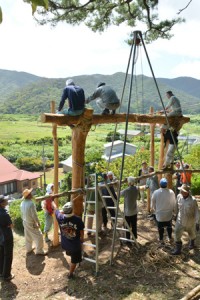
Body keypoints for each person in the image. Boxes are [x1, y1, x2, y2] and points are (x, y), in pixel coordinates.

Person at [55, 202, 84, 279]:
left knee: (70, 252)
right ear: (72, 210)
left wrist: (60, 211)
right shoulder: (78, 219)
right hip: (75, 246)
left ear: (64, 211)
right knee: (74, 260)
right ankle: (70, 274)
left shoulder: (60, 217)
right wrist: (82, 238)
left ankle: (72, 256)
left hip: (65, 244)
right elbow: (81, 231)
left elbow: (56, 210)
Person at [172, 184, 199, 255]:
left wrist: (197, 222)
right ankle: (178, 250)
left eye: (182, 191)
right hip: (180, 220)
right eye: (181, 190)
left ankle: (192, 244)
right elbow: (176, 206)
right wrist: (175, 215)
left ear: (187, 192)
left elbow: (196, 211)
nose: (181, 192)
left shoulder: (193, 200)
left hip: (190, 221)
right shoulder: (179, 196)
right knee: (177, 234)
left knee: (192, 234)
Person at [20, 188, 48, 255]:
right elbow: (34, 215)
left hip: (25, 222)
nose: (32, 194)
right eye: (30, 193)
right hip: (31, 223)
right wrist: (38, 222)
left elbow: (22, 213)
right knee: (39, 236)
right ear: (29, 195)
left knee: (28, 236)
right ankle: (39, 250)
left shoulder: (22, 203)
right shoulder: (31, 204)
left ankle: (29, 249)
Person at [151, 178, 176, 246]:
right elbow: (174, 203)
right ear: (166, 184)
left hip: (159, 214)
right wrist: (174, 211)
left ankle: (161, 239)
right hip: (168, 214)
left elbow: (153, 202)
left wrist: (153, 209)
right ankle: (170, 238)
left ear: (160, 184)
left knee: (160, 227)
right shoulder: (171, 192)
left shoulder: (156, 192)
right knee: (169, 226)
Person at [120, 177, 144, 245]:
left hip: (128, 212)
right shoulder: (136, 189)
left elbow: (119, 193)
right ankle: (134, 237)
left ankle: (128, 240)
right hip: (134, 211)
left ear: (129, 183)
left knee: (127, 226)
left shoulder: (126, 190)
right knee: (134, 225)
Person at [0, 195, 14, 281]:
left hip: (0, 236)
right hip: (7, 236)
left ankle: (1, 272)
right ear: (1, 203)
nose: (7, 201)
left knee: (1, 254)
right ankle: (7, 275)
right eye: (5, 200)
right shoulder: (5, 214)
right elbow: (11, 225)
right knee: (8, 255)